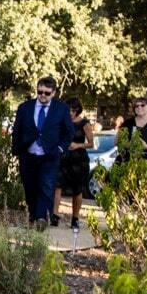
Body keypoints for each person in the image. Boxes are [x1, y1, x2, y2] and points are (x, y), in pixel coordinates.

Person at [11, 76, 75, 230]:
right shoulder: (25, 107)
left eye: (47, 93)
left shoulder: (61, 109)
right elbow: (17, 130)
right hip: (28, 155)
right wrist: (17, 149)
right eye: (40, 92)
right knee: (30, 186)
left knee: (46, 186)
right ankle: (33, 216)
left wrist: (60, 149)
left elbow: (69, 132)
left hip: (50, 156)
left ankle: (41, 217)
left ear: (53, 93)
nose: (42, 95)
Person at [51, 97, 93, 231]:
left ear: (78, 110)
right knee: (57, 186)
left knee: (77, 190)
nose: (71, 113)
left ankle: (75, 218)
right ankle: (55, 215)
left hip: (78, 160)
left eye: (73, 111)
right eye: (68, 110)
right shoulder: (62, 122)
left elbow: (91, 144)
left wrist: (78, 145)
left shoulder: (84, 124)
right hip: (63, 158)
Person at [116, 96, 147, 161]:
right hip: (127, 162)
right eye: (136, 106)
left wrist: (146, 146)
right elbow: (116, 142)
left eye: (142, 105)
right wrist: (130, 144)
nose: (139, 107)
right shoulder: (127, 123)